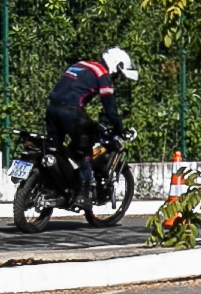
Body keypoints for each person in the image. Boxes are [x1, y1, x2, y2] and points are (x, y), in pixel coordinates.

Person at [42, 46, 135, 191]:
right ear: (116, 65)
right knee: (87, 146)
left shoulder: (80, 65)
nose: (115, 78)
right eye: (117, 74)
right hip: (70, 112)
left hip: (52, 108)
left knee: (56, 149)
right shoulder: (102, 75)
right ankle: (83, 192)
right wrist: (119, 129)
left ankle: (55, 185)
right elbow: (110, 108)